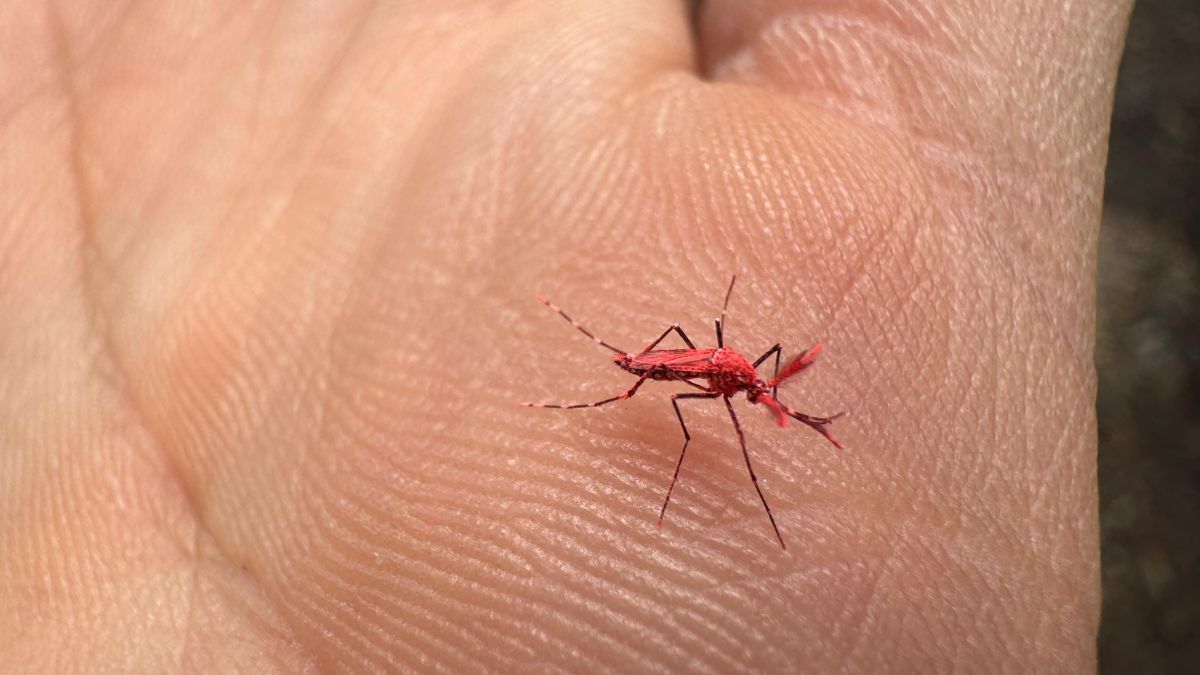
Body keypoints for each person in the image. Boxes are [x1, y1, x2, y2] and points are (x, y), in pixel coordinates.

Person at [0, 1, 1131, 671]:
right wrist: (697, 394)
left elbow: (756, 376)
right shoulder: (727, 388)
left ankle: (619, 380)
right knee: (701, 417)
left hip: (710, 363)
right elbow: (737, 391)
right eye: (765, 389)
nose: (756, 392)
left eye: (764, 388)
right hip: (684, 374)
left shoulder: (751, 372)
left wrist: (785, 398)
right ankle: (601, 389)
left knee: (719, 367)